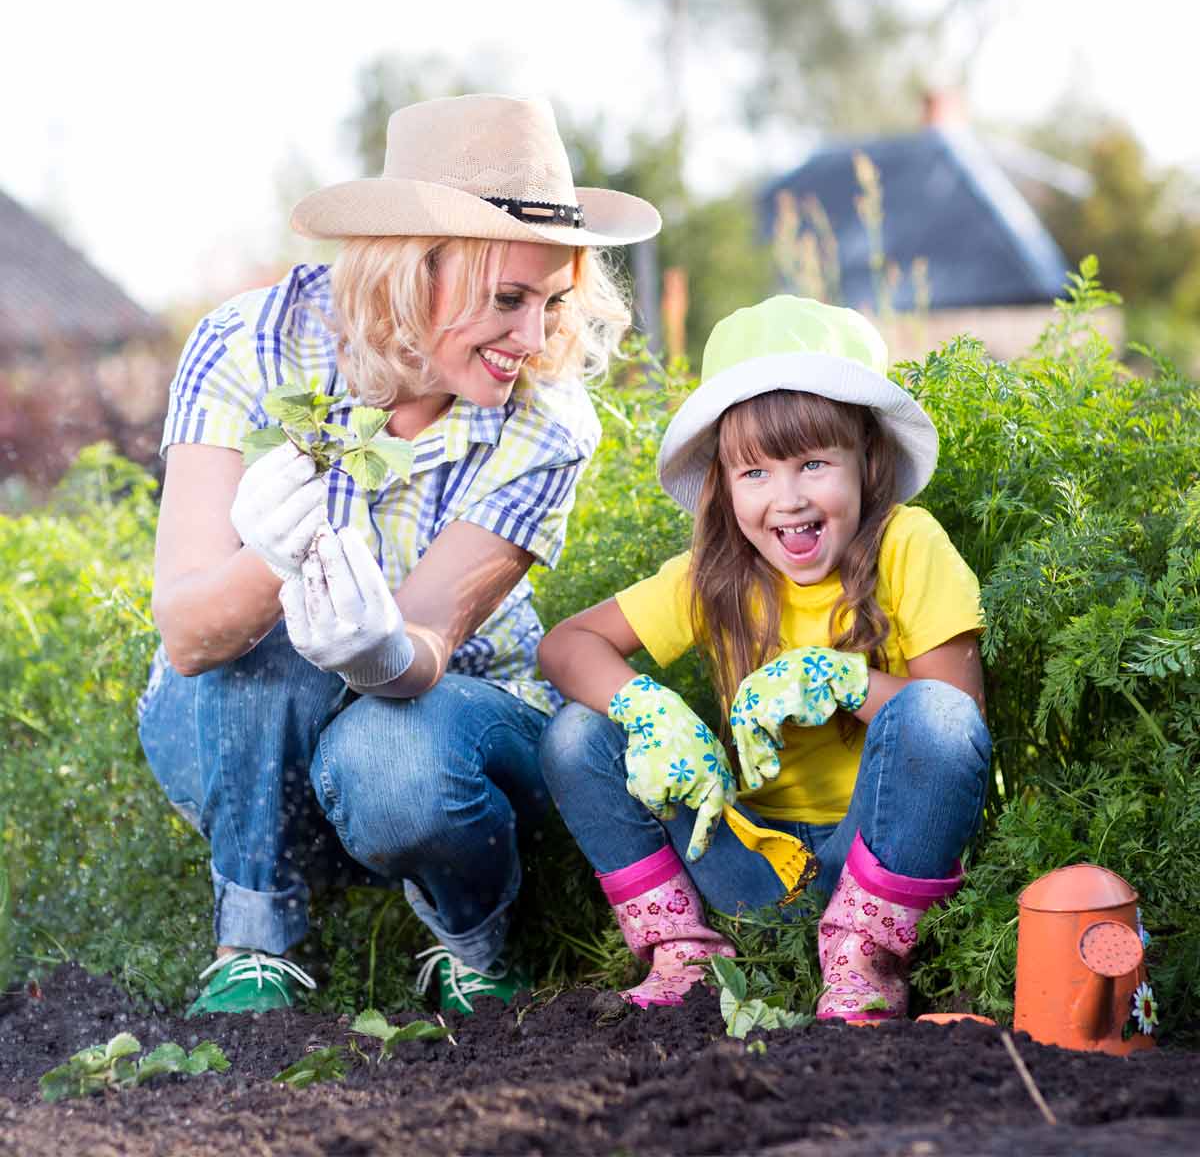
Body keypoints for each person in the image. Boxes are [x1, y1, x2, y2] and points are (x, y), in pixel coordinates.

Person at [137, 94, 661, 1017]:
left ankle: (474, 941)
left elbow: (424, 640)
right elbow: (188, 638)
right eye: (507, 300)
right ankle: (257, 942)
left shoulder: (547, 421)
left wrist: (375, 648)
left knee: (397, 755)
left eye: (551, 303)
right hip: (235, 742)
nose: (533, 341)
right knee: (271, 652)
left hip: (442, 733)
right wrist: (274, 553)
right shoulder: (250, 349)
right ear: (414, 271)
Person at [538, 296, 991, 1020]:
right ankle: (686, 952)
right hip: (745, 864)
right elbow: (565, 645)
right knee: (575, 733)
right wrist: (646, 706)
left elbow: (954, 719)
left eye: (813, 464)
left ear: (869, 462)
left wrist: (842, 678)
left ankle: (865, 959)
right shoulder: (719, 571)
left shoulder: (909, 543)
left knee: (932, 716)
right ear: (722, 484)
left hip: (872, 852)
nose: (787, 499)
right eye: (754, 473)